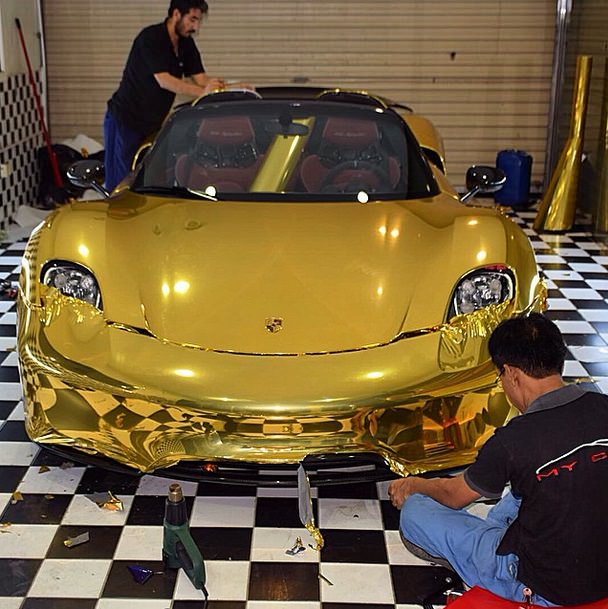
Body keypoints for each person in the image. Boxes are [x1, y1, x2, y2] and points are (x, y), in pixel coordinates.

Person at [388, 313, 608, 607]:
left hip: (539, 585)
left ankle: (485, 555)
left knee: (416, 511)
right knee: (536, 487)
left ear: (512, 373)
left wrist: (415, 485)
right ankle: (495, 533)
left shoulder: (513, 440)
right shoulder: (603, 405)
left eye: (500, 377)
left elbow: (454, 497)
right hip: (600, 570)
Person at [103, 0, 228, 191]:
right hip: (125, 120)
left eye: (198, 21)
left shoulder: (186, 44)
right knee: (121, 183)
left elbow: (201, 78)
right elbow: (164, 81)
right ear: (176, 14)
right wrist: (203, 92)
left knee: (146, 180)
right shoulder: (151, 38)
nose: (195, 27)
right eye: (192, 20)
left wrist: (225, 88)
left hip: (151, 124)